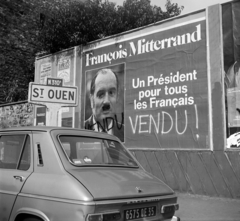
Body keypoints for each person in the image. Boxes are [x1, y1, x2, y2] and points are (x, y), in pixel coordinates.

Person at [85, 68, 124, 142]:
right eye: (101, 94)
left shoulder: (125, 133)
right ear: (92, 100)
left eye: (111, 93)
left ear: (117, 97)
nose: (106, 101)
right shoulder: (80, 131)